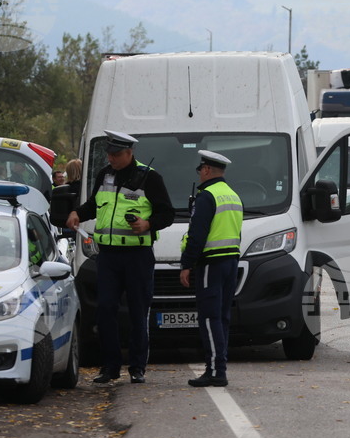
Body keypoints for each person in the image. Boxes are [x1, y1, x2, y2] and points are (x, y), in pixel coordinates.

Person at [66, 130, 175, 384]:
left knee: (138, 311)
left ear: (129, 153)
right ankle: (110, 367)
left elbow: (167, 213)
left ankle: (137, 367)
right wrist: (77, 213)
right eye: (109, 154)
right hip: (108, 256)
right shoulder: (105, 175)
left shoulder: (149, 177)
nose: (111, 158)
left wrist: (148, 224)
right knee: (105, 310)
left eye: (116, 154)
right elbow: (94, 205)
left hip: (137, 256)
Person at [180, 150, 243, 387]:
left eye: (200, 170)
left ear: (206, 170)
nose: (199, 174)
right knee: (222, 318)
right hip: (231, 262)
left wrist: (186, 264)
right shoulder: (233, 195)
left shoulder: (207, 196)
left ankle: (216, 371)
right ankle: (219, 368)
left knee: (209, 318)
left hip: (211, 263)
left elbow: (197, 236)